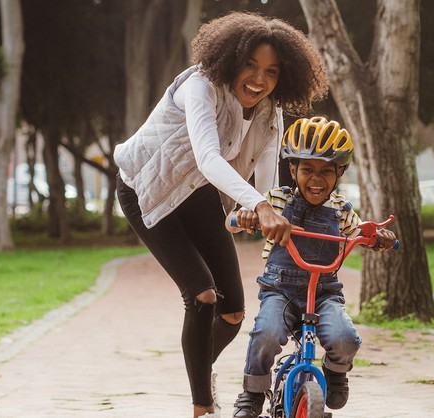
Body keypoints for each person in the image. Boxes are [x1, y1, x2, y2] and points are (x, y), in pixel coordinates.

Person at [113, 12, 328, 418]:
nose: (258, 79)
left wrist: (265, 208)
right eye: (249, 64)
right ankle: (202, 407)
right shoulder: (199, 87)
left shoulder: (270, 113)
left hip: (196, 195)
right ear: (230, 58)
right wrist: (259, 206)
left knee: (231, 313)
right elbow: (208, 157)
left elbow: (266, 180)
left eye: (271, 71)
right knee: (202, 295)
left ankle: (199, 368)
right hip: (145, 190)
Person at [227, 117, 397, 418]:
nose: (316, 179)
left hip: (324, 293)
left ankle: (335, 372)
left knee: (345, 337)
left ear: (339, 173)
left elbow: (360, 232)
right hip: (281, 290)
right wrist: (245, 217)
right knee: (265, 333)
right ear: (293, 169)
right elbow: (239, 219)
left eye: (326, 171)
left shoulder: (342, 210)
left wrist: (377, 238)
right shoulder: (277, 200)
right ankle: (252, 392)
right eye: (307, 169)